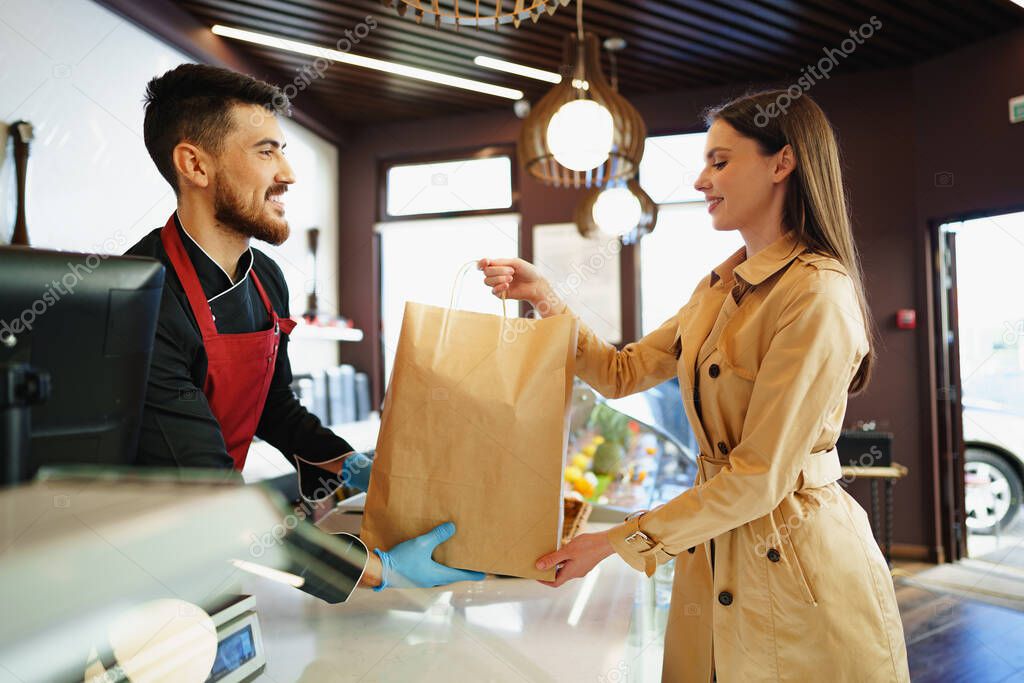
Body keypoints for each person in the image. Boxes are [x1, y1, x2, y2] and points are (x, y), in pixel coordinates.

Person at [478, 91, 910, 681]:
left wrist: (611, 543)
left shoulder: (817, 294)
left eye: (720, 161)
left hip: (800, 569)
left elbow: (758, 476)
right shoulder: (716, 289)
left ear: (781, 164)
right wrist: (545, 297)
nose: (701, 179)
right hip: (712, 553)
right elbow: (620, 372)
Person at [127, 63, 482, 594]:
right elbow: (215, 493)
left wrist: (354, 465)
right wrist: (379, 571)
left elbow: (275, 408)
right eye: (266, 151)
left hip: (214, 545)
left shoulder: (266, 279)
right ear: (194, 165)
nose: (288, 174)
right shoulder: (144, 296)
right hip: (139, 561)